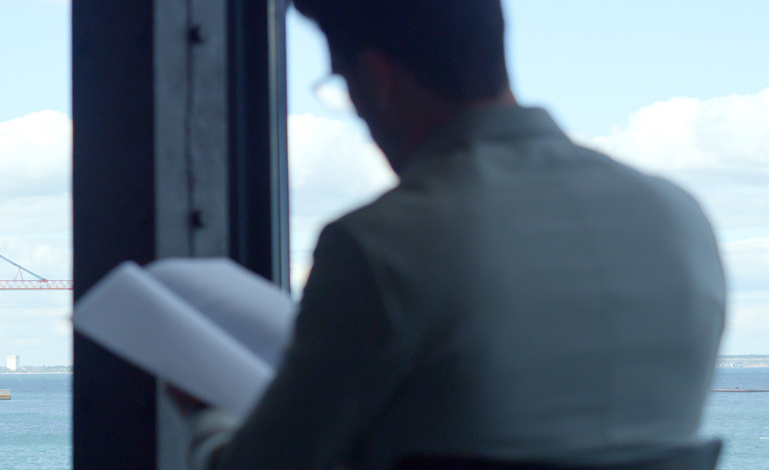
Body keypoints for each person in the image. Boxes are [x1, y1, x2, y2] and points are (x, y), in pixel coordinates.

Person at [187, 1, 728, 469]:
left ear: (378, 78)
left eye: (343, 90)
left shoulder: (380, 244)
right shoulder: (680, 218)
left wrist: (207, 416)